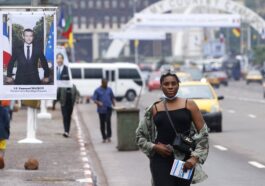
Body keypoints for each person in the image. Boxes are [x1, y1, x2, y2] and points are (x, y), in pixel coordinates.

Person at [136, 70, 209, 186]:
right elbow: (140, 137)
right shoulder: (154, 108)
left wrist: (194, 159)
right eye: (166, 84)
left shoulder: (189, 105)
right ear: (161, 86)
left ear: (178, 85)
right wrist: (155, 146)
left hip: (184, 161)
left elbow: (203, 135)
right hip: (160, 160)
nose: (170, 87)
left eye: (173, 83)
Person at [93, 78, 115, 143]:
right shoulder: (97, 90)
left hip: (108, 108)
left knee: (108, 122)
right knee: (102, 124)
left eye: (107, 83)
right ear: (102, 83)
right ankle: (104, 137)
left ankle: (109, 136)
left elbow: (112, 97)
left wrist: (113, 103)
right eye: (105, 83)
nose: (106, 85)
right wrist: (98, 102)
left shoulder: (109, 89)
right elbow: (94, 99)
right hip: (101, 110)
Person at [0, 101, 10, 169]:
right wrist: (7, 132)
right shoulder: (4, 110)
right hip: (2, 133)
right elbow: (7, 122)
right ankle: (0, 163)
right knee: (2, 149)